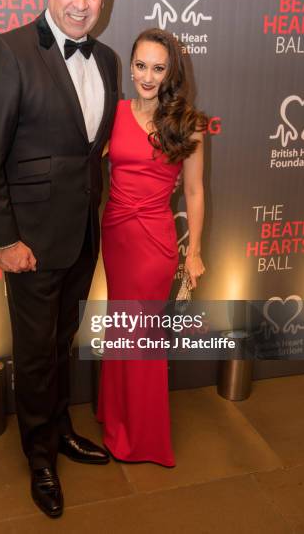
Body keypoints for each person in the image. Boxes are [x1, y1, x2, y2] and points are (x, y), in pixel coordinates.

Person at [0, 0, 118, 518]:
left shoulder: (106, 60)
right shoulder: (6, 51)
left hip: (82, 237)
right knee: (33, 354)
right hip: (28, 244)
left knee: (61, 345)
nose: (82, 2)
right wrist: (4, 240)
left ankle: (59, 430)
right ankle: (39, 457)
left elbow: (89, 153)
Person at [97, 28, 207, 466]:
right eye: (140, 65)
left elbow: (195, 193)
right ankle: (114, 417)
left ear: (171, 73)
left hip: (154, 241)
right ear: (131, 65)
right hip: (117, 233)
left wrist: (194, 251)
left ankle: (140, 438)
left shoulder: (189, 124)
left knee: (141, 336)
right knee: (121, 326)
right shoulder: (114, 112)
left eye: (157, 68)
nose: (146, 76)